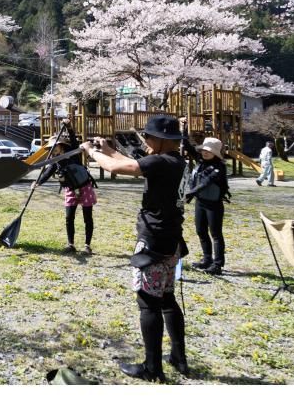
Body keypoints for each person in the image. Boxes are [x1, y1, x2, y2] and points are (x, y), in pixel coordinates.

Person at [81, 116, 188, 382]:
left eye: (149, 137)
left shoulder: (160, 161)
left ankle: (152, 368)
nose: (146, 141)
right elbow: (127, 161)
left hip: (153, 241)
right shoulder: (177, 161)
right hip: (171, 239)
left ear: (162, 141)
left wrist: (91, 152)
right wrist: (106, 148)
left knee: (148, 302)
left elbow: (117, 168)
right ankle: (178, 357)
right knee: (166, 298)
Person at [35, 118, 97, 254]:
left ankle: (87, 246)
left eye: (54, 147)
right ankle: (71, 244)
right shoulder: (55, 161)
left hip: (84, 187)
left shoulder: (73, 152)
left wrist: (69, 127)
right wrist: (38, 183)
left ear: (61, 145)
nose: (52, 150)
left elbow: (74, 139)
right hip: (70, 190)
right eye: (51, 148)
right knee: (69, 217)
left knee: (87, 217)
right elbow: (47, 172)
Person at [187, 137, 231, 276]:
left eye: (209, 151)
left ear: (215, 153)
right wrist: (183, 130)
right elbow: (187, 147)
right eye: (204, 150)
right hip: (200, 202)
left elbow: (206, 181)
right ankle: (207, 259)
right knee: (201, 231)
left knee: (216, 234)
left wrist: (191, 192)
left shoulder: (220, 167)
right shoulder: (200, 162)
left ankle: (217, 264)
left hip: (214, 205)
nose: (205, 153)